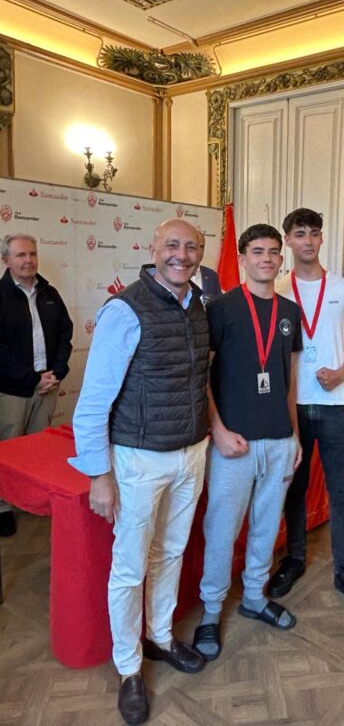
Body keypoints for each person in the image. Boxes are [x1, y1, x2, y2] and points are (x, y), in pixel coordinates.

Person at [70, 219, 210, 726]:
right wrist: (98, 474)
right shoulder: (125, 309)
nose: (181, 255)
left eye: (191, 247)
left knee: (170, 551)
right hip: (137, 459)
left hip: (192, 453)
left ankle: (161, 637)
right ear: (152, 249)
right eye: (172, 245)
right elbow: (92, 403)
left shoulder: (199, 304)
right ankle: (129, 667)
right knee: (129, 568)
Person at [193, 223, 302, 660]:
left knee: (266, 525)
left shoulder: (289, 311)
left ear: (281, 258)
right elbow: (201, 375)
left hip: (278, 440)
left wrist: (294, 434)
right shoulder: (220, 309)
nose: (267, 259)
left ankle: (255, 596)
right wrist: (217, 430)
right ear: (242, 258)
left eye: (273, 252)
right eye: (258, 251)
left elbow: (289, 379)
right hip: (233, 442)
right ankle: (210, 610)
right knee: (222, 530)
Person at [266, 208, 344, 615]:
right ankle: (295, 558)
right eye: (299, 234)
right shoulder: (277, 288)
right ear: (288, 241)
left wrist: (342, 373)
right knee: (293, 486)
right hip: (291, 405)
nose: (308, 241)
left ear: (322, 238)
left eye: (314, 233)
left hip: (335, 404)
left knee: (340, 491)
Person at [0, 233, 72, 537]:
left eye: (32, 254)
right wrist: (32, 378)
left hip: (48, 385)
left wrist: (58, 371)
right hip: (13, 390)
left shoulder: (49, 292)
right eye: (20, 255)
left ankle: (31, 500)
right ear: (6, 260)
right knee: (7, 449)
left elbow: (65, 334)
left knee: (37, 449)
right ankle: (3, 506)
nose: (28, 260)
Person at [191, 229, 221, 304]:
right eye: (194, 246)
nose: (199, 250)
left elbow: (219, 305)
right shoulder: (176, 274)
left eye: (201, 246)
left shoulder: (211, 275)